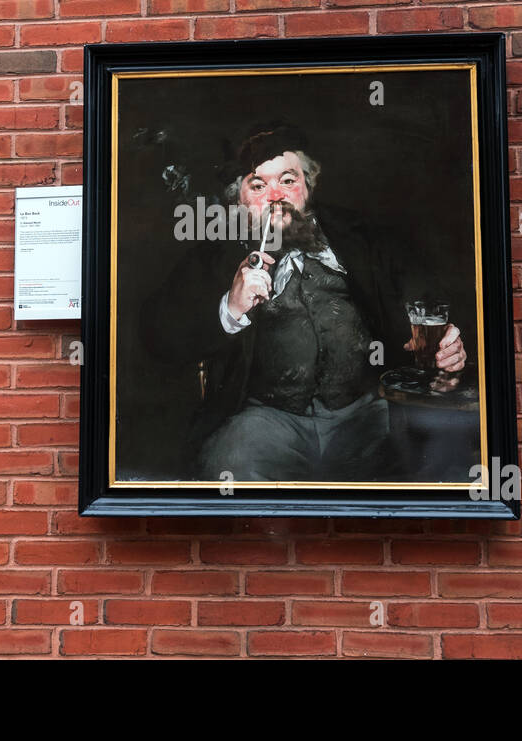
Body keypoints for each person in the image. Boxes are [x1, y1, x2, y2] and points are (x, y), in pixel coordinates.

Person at [146, 124, 468, 483]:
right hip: (265, 423)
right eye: (258, 185)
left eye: (287, 180)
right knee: (229, 466)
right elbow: (159, 337)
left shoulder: (362, 239)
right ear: (237, 199)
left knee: (428, 461)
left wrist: (448, 348)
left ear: (308, 186)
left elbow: (425, 299)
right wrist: (230, 308)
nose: (276, 196)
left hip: (367, 414)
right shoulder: (214, 258)